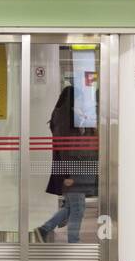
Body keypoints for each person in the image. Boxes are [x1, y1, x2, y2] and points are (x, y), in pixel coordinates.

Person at [33, 87, 97, 243]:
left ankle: (43, 229)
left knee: (71, 206)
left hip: (75, 168)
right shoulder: (64, 117)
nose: (83, 102)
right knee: (78, 208)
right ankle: (74, 241)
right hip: (71, 169)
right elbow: (65, 146)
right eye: (81, 99)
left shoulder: (72, 115)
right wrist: (67, 174)